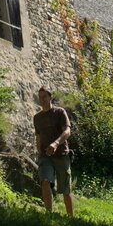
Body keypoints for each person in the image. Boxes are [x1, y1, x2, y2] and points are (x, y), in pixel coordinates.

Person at [33, 86, 74, 216]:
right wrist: (39, 152)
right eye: (40, 97)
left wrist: (56, 143)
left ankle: (71, 219)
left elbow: (67, 131)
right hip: (45, 156)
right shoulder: (37, 117)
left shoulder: (60, 112)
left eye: (44, 97)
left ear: (51, 97)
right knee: (45, 181)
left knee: (65, 190)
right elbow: (38, 136)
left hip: (61, 154)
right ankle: (49, 215)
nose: (42, 100)